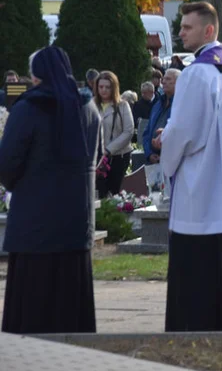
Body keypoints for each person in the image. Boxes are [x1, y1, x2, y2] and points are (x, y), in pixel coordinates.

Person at [160, 2, 222, 331]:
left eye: (187, 27)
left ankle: (193, 329)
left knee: (197, 272)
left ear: (209, 30)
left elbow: (184, 132)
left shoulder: (197, 74)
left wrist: (166, 155)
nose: (181, 32)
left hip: (201, 190)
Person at [0, 47, 101, 334]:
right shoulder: (88, 107)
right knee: (71, 306)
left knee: (34, 306)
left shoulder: (29, 108)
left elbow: (6, 164)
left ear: (35, 76)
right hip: (76, 223)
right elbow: (98, 154)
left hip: (35, 225)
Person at [94, 70, 134, 198]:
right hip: (97, 158)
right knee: (99, 193)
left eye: (108, 87)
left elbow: (128, 131)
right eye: (101, 87)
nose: (104, 90)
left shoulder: (122, 105)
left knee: (114, 193)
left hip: (118, 156)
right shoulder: (91, 106)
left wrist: (109, 149)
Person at [143, 69, 179, 165]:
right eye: (163, 79)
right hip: (153, 161)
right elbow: (147, 132)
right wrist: (149, 154)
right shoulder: (157, 104)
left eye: (168, 79)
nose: (163, 82)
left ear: (179, 82)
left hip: (172, 161)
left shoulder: (181, 106)